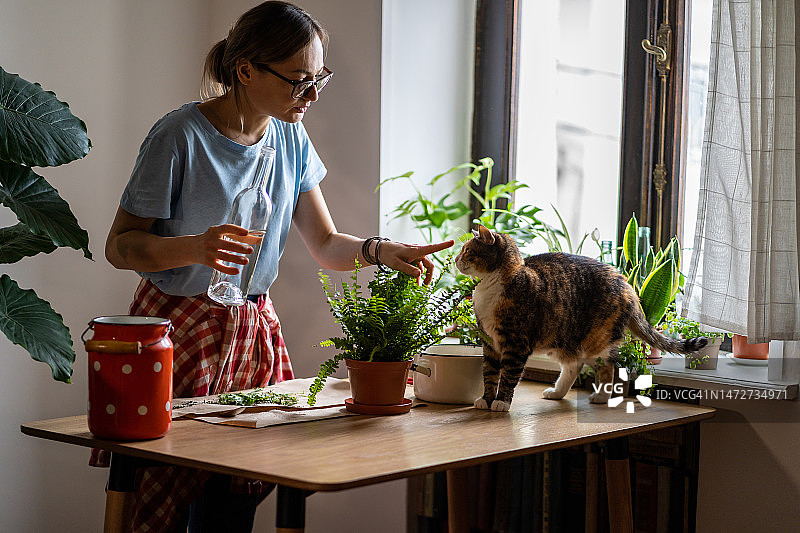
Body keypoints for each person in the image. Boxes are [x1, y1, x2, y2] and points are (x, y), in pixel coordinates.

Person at [100, 2, 452, 531]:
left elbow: (328, 243)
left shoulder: (291, 137)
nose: (310, 96)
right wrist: (195, 248)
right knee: (163, 495)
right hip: (177, 330)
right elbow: (120, 246)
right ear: (245, 70)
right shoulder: (179, 136)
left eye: (318, 80)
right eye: (298, 82)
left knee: (235, 502)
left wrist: (380, 251)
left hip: (250, 334)